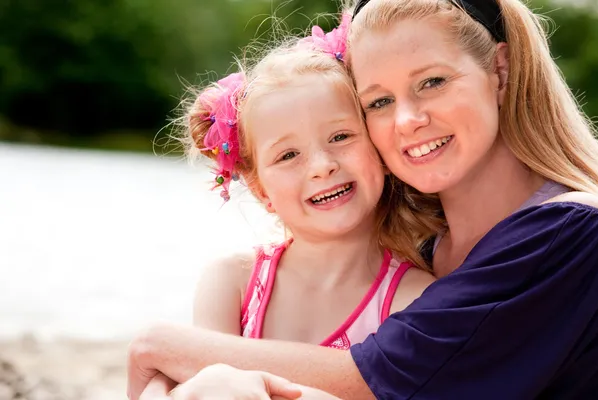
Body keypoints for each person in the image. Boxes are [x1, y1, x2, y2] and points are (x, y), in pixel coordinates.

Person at [127, 0, 598, 398]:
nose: (407, 119)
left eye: (432, 82)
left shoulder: (570, 232)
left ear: (499, 70)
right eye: (378, 102)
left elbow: (376, 377)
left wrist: (163, 345)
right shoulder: (429, 248)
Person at [136, 14, 438, 399]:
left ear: (377, 146)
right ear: (260, 188)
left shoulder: (412, 297)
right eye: (288, 154)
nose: (321, 165)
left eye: (341, 136)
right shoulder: (234, 282)